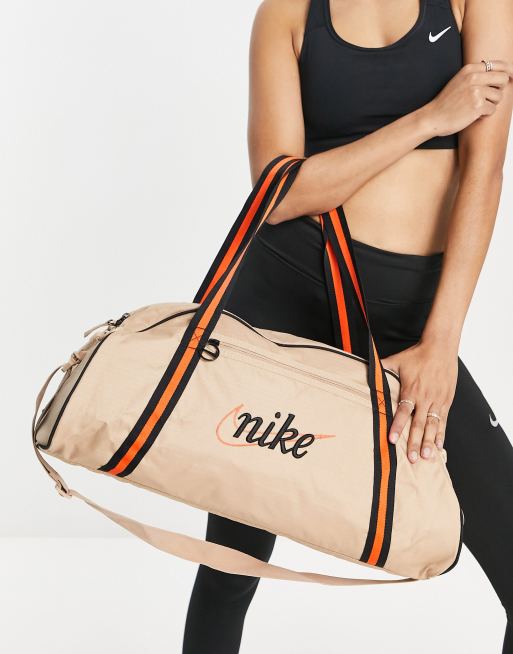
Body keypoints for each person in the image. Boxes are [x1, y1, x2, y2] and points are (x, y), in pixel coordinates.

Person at [182, 1, 513, 651]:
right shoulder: (285, 14)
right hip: (284, 301)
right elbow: (277, 193)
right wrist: (429, 119)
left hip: (411, 324)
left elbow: (485, 168)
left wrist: (441, 344)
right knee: (232, 563)